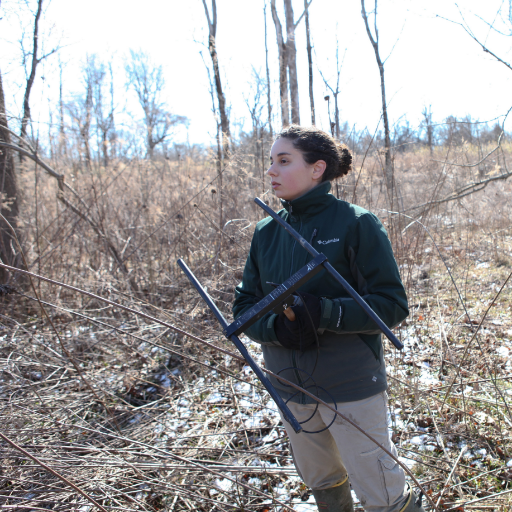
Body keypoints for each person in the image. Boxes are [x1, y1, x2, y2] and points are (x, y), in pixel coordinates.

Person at [232, 125, 424, 512]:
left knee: (381, 489)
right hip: (289, 384)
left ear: (317, 169)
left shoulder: (355, 223)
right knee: (322, 480)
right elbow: (244, 309)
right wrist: (274, 328)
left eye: (284, 161)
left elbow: (391, 305)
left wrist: (326, 313)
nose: (272, 170)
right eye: (271, 161)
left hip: (350, 381)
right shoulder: (266, 232)